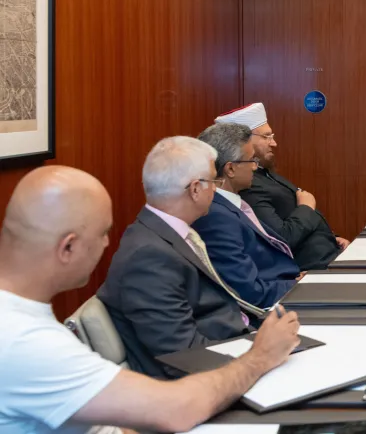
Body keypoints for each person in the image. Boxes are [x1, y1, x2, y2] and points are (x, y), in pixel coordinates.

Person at [0, 166, 301, 434]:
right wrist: (260, 357)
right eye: (103, 233)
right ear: (68, 247)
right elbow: (176, 410)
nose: (107, 243)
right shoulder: (27, 342)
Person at [99, 137, 265, 378]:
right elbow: (184, 356)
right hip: (211, 379)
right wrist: (261, 357)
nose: (216, 189)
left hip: (238, 344)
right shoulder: (148, 257)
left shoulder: (167, 234)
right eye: (213, 181)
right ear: (196, 189)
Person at [216, 103, 349, 270]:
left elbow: (286, 213)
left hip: (330, 255)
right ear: (246, 141)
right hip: (311, 271)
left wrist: (330, 238)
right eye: (266, 136)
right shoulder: (247, 184)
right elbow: (282, 238)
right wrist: (306, 207)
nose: (274, 143)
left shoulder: (265, 173)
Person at [193, 123, 300, 308]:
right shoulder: (215, 217)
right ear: (230, 169)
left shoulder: (231, 204)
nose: (255, 167)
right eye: (251, 160)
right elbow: (250, 292)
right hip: (271, 308)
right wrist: (299, 285)